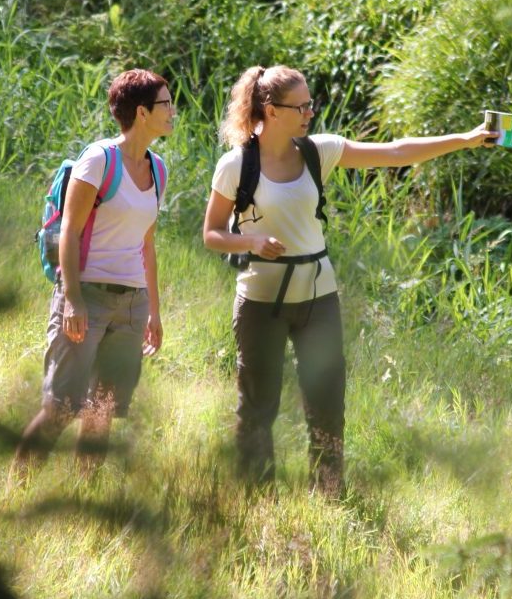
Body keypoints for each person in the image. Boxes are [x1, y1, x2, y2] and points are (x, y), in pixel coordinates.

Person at [202, 65, 495, 496]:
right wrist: (251, 240)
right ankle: (256, 497)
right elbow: (211, 234)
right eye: (300, 107)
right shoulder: (236, 165)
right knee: (258, 406)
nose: (309, 113)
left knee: (326, 402)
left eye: (310, 104)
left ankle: (328, 494)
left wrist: (467, 139)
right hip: (261, 301)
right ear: (271, 110)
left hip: (319, 296)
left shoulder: (318, 151)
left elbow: (397, 152)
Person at [14, 69, 175, 475]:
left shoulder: (158, 169)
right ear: (142, 112)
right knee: (61, 407)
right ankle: (15, 490)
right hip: (88, 297)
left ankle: (86, 496)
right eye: (165, 104)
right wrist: (72, 299)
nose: (172, 111)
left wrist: (153, 312)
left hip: (132, 305)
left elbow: (147, 244)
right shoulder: (99, 160)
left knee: (102, 410)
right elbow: (69, 231)